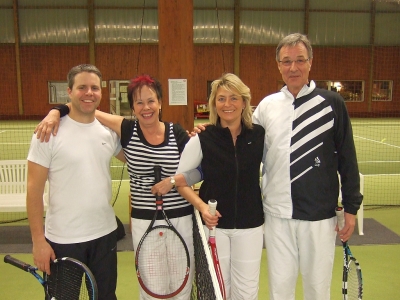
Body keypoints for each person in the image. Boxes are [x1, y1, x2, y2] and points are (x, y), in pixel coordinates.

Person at [36, 74, 199, 300]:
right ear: (132, 107)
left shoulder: (177, 133)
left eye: (151, 101)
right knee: (152, 290)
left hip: (181, 218)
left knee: (181, 287)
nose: (146, 107)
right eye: (139, 102)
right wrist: (56, 111)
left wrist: (176, 177)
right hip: (144, 221)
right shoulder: (127, 130)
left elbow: (196, 171)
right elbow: (85, 107)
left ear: (160, 103)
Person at [252, 33, 363, 300]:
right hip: (277, 216)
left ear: (310, 62)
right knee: (280, 290)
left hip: (319, 217)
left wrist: (351, 207)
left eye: (300, 60)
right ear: (278, 65)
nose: (293, 68)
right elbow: (243, 148)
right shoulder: (266, 107)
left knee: (317, 290)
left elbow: (348, 158)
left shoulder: (332, 104)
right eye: (287, 61)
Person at [27, 64, 125, 300]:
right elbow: (33, 191)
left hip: (104, 237)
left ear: (101, 93)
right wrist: (38, 241)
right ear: (69, 92)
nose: (89, 93)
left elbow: (140, 156)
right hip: (63, 240)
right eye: (82, 87)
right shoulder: (47, 133)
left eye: (94, 88)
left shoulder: (107, 133)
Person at [170, 73, 265, 300]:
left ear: (244, 102)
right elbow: (180, 182)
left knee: (247, 292)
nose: (227, 104)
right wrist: (202, 207)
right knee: (217, 290)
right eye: (221, 99)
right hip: (214, 227)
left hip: (250, 226)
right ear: (214, 103)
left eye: (234, 98)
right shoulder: (202, 138)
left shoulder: (259, 135)